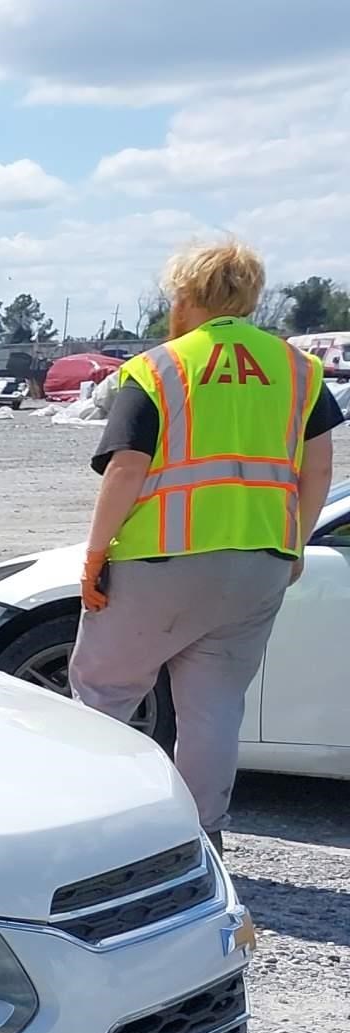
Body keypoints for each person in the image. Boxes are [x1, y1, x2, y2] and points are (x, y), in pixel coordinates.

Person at [71, 239, 339, 849]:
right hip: (258, 564)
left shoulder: (160, 367)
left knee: (104, 696)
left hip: (159, 559)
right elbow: (318, 470)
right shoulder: (298, 369)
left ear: (185, 295)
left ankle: (91, 839)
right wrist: (293, 545)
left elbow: (126, 469)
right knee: (214, 709)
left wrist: (94, 555)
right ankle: (201, 838)